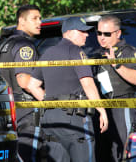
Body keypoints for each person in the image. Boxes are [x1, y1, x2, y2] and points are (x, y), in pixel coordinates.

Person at [0, 4, 69, 162]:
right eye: (34, 18)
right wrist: (50, 104)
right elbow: (25, 81)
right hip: (28, 112)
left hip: (10, 109)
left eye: (40, 18)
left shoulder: (5, 44)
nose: (39, 22)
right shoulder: (24, 45)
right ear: (22, 21)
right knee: (30, 155)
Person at [27, 17, 108, 162]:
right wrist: (102, 110)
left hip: (50, 119)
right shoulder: (76, 51)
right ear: (69, 33)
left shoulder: (47, 53)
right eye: (82, 31)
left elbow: (32, 85)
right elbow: (88, 83)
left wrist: (50, 102)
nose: (87, 35)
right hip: (73, 118)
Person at [95, 15, 136, 162]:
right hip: (103, 108)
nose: (102, 37)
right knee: (105, 152)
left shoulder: (129, 52)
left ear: (118, 33)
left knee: (125, 149)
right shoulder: (97, 54)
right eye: (99, 33)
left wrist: (116, 64)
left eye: (107, 34)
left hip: (123, 105)